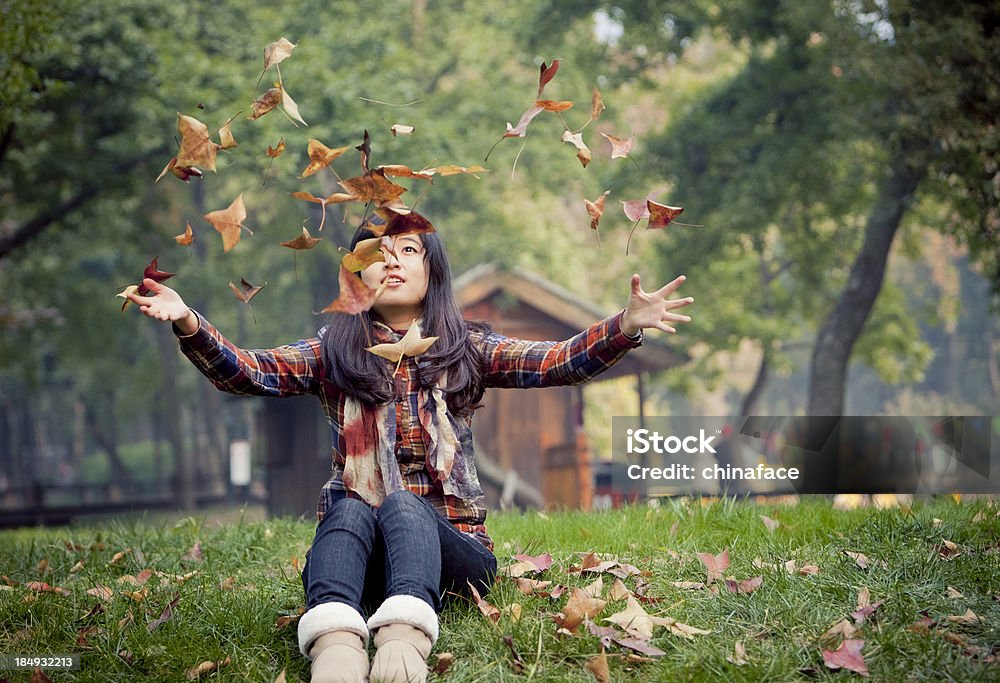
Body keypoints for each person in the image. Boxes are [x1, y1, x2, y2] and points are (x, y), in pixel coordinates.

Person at [127, 227, 693, 683]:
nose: (392, 260)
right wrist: (187, 321)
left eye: (408, 249)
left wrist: (623, 327)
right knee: (349, 506)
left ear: (432, 271)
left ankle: (404, 637)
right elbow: (249, 373)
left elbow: (554, 361)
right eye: (376, 251)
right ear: (357, 275)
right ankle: (336, 644)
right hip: (363, 557)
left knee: (401, 504)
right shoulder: (332, 351)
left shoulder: (466, 345)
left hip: (456, 559)